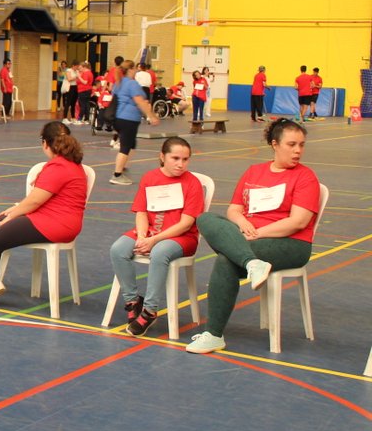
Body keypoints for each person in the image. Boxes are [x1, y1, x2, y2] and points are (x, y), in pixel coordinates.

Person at [186, 119, 321, 354]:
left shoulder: (305, 177)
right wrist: (243, 224)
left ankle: (214, 334)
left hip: (291, 244)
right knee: (205, 219)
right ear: (275, 144)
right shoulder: (254, 171)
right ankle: (253, 263)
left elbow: (297, 222)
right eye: (291, 144)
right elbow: (234, 210)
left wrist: (256, 233)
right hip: (250, 238)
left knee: (226, 258)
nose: (298, 150)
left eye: (302, 145)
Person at [0, 121, 87, 306]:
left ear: (45, 143)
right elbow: (38, 199)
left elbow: (35, 200)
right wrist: (14, 210)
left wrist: (13, 215)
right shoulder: (64, 164)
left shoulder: (59, 167)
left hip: (57, 223)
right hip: (48, 217)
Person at [108, 137, 205, 336]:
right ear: (162, 157)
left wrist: (153, 241)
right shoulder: (149, 178)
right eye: (175, 158)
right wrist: (143, 236)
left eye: (185, 159)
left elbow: (186, 223)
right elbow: (141, 212)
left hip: (181, 237)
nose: (181, 164)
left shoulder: (192, 183)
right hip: (150, 232)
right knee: (118, 249)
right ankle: (133, 301)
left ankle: (150, 310)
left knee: (159, 252)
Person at [110, 60, 160, 186]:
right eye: (135, 69)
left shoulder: (119, 83)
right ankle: (117, 175)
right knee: (126, 146)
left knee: (132, 144)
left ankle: (123, 166)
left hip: (119, 117)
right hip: (128, 119)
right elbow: (140, 102)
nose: (137, 70)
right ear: (131, 69)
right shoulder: (132, 84)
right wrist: (151, 116)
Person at [75, 61, 93, 125]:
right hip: (86, 90)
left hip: (84, 91)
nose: (80, 69)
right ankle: (86, 119)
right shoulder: (89, 73)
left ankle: (80, 118)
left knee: (82, 105)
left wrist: (79, 76)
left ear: (84, 67)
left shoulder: (86, 73)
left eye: (80, 68)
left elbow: (85, 82)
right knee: (86, 105)